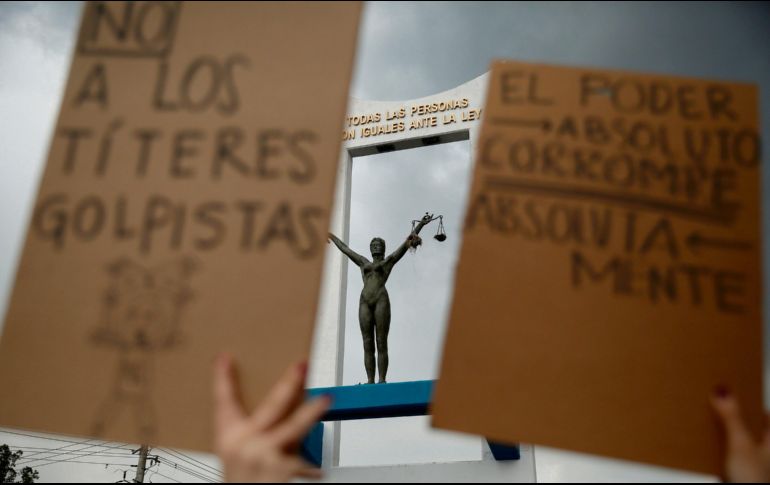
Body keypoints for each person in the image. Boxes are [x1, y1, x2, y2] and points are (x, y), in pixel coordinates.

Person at [212, 357, 769, 482]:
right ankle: (374, 383)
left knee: (378, 339)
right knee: (369, 343)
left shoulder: (386, 261)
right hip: (367, 303)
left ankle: (378, 376)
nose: (375, 247)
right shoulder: (367, 265)